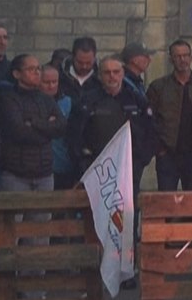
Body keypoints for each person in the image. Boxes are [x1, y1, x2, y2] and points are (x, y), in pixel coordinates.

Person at [68, 56, 156, 185]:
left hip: (129, 168)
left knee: (128, 205)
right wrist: (82, 162)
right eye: (107, 72)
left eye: (116, 72)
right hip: (96, 169)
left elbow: (151, 131)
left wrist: (141, 160)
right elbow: (73, 134)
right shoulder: (87, 101)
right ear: (99, 75)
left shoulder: (136, 100)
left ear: (123, 74)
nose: (112, 76)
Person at [0, 54, 66, 193]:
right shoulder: (8, 99)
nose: (37, 72)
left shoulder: (47, 99)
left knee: (43, 214)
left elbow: (61, 127)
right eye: (31, 69)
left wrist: (33, 123)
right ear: (17, 73)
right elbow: (18, 132)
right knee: (14, 214)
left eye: (38, 69)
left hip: (44, 173)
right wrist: (47, 130)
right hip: (15, 174)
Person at [146, 39, 192, 191]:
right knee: (166, 201)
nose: (182, 60)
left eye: (186, 55)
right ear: (171, 58)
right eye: (178, 56)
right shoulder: (158, 87)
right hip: (168, 153)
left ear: (191, 58)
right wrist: (159, 148)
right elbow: (149, 120)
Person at [40, 65, 78, 190]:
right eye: (46, 82)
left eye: (54, 82)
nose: (51, 86)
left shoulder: (69, 103)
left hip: (63, 164)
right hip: (39, 165)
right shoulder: (31, 102)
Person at [60, 36, 100, 106]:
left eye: (88, 63)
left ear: (94, 58)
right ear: (73, 57)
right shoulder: (60, 76)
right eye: (80, 62)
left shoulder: (102, 78)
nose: (84, 66)